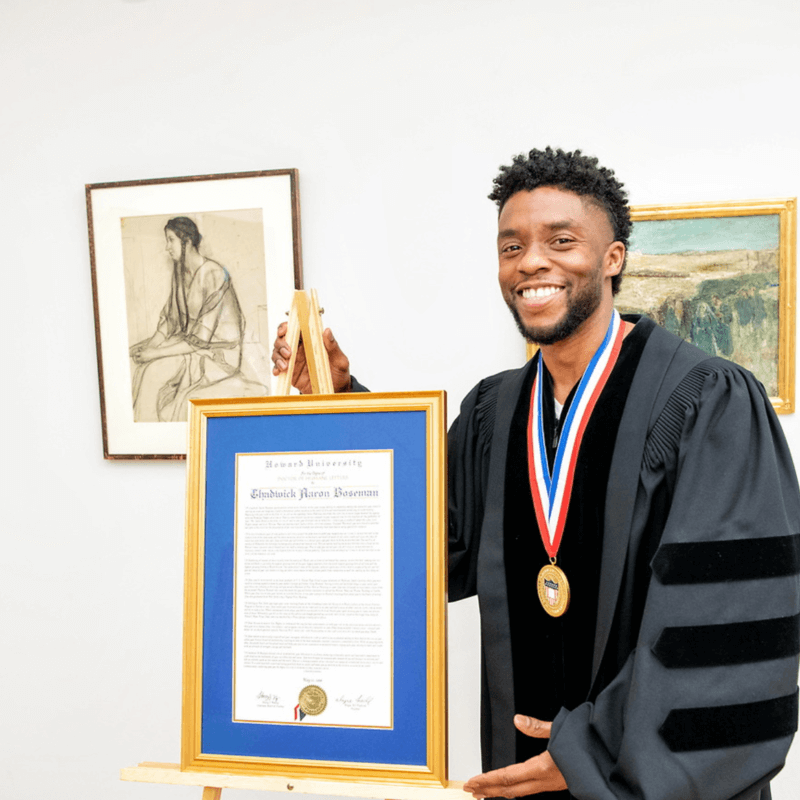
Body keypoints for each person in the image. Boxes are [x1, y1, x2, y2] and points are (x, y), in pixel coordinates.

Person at [272, 148, 800, 800]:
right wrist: (340, 392)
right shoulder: (496, 412)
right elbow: (430, 544)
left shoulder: (707, 402)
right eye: (511, 246)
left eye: (562, 240)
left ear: (614, 259)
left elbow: (728, 626)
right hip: (520, 775)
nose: (531, 262)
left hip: (648, 781)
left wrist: (589, 751)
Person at [130, 216, 262, 422]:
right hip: (191, 345)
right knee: (140, 367)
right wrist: (150, 347)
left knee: (152, 373)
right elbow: (169, 320)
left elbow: (200, 338)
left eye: (171, 240)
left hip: (217, 353)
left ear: (187, 242)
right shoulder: (181, 274)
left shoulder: (214, 274)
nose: (167, 247)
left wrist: (154, 353)